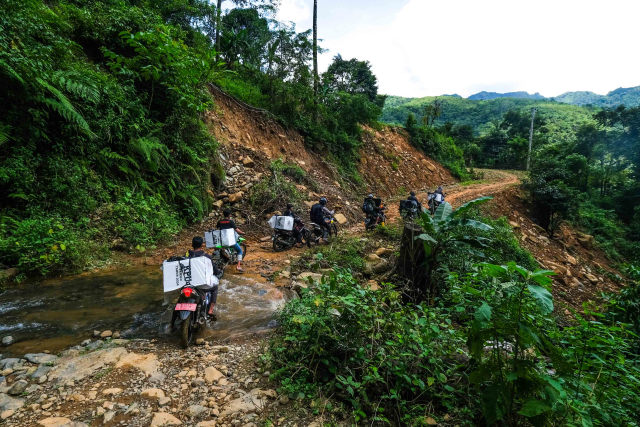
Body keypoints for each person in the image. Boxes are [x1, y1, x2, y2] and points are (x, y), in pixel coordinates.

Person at [187, 236, 221, 319]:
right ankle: (210, 310)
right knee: (215, 287)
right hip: (200, 285)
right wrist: (218, 272)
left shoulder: (187, 255)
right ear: (202, 245)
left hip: (189, 284)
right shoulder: (206, 256)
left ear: (192, 244)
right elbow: (214, 269)